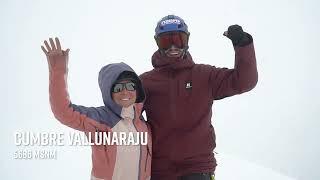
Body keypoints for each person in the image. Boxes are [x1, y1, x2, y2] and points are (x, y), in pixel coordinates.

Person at [139, 15, 258, 180]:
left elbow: (244, 81)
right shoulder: (146, 81)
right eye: (166, 41)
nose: (173, 46)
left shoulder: (205, 75)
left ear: (187, 40)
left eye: (178, 39)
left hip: (198, 167)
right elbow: (126, 114)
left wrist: (242, 45)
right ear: (157, 42)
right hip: (159, 170)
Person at [41, 37, 152, 180]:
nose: (125, 92)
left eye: (130, 86)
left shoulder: (144, 125)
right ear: (108, 92)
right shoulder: (100, 119)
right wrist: (58, 70)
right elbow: (63, 111)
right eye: (118, 88)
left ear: (137, 89)